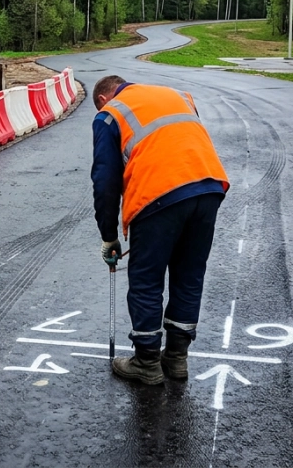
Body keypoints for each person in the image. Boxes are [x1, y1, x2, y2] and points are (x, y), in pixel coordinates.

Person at [90, 75, 230, 385]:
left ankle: (147, 361)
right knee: (189, 274)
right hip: (207, 187)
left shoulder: (109, 114)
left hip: (157, 195)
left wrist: (109, 236)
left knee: (146, 279)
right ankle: (177, 358)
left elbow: (105, 182)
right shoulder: (177, 94)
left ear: (102, 99)